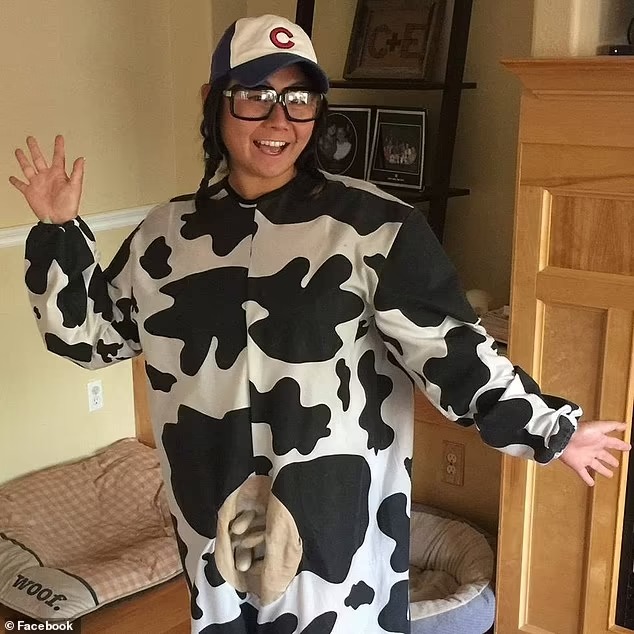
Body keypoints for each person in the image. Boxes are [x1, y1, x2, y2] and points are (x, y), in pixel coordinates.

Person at [9, 13, 629, 634]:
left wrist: (550, 429)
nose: (279, 120)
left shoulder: (376, 228)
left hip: (333, 522)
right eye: (255, 95)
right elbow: (91, 339)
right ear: (213, 102)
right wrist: (58, 232)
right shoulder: (163, 236)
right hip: (210, 513)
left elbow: (451, 352)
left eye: (299, 99)